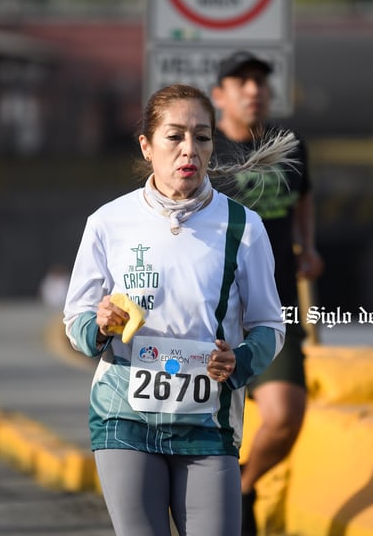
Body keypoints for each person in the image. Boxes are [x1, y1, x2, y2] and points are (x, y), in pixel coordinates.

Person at [63, 83, 291, 536]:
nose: (190, 149)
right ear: (147, 147)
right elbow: (76, 322)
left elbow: (269, 324)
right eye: (175, 136)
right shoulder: (109, 222)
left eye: (202, 137)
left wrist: (239, 361)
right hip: (123, 416)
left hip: (208, 423)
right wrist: (101, 324)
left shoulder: (243, 227)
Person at [210, 51, 325, 536]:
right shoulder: (202, 151)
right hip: (210, 313)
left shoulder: (289, 145)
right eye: (242, 82)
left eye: (260, 83)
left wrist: (308, 246)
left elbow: (304, 197)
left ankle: (244, 485)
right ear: (220, 95)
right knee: (206, 427)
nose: (254, 90)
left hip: (269, 309)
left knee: (285, 414)